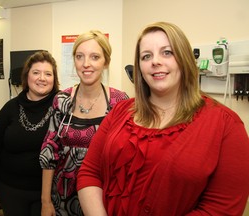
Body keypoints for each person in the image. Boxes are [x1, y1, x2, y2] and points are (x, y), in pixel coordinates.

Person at [77, 22, 249, 216]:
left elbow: (221, 209)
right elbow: (90, 172)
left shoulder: (226, 125)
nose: (155, 61)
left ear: (184, 58)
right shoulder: (120, 111)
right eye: (146, 56)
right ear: (139, 67)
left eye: (167, 52)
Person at [39, 30, 129, 216]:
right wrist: (45, 201)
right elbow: (50, 152)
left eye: (95, 57)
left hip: (105, 197)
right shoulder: (62, 99)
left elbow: (127, 157)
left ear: (106, 62)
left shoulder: (119, 102)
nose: (86, 64)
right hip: (62, 199)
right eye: (80, 57)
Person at [0, 50, 60, 216]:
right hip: (11, 189)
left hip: (49, 193)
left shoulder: (62, 107)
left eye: (48, 73)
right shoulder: (10, 108)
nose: (42, 78)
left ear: (54, 79)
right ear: (27, 76)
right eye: (36, 72)